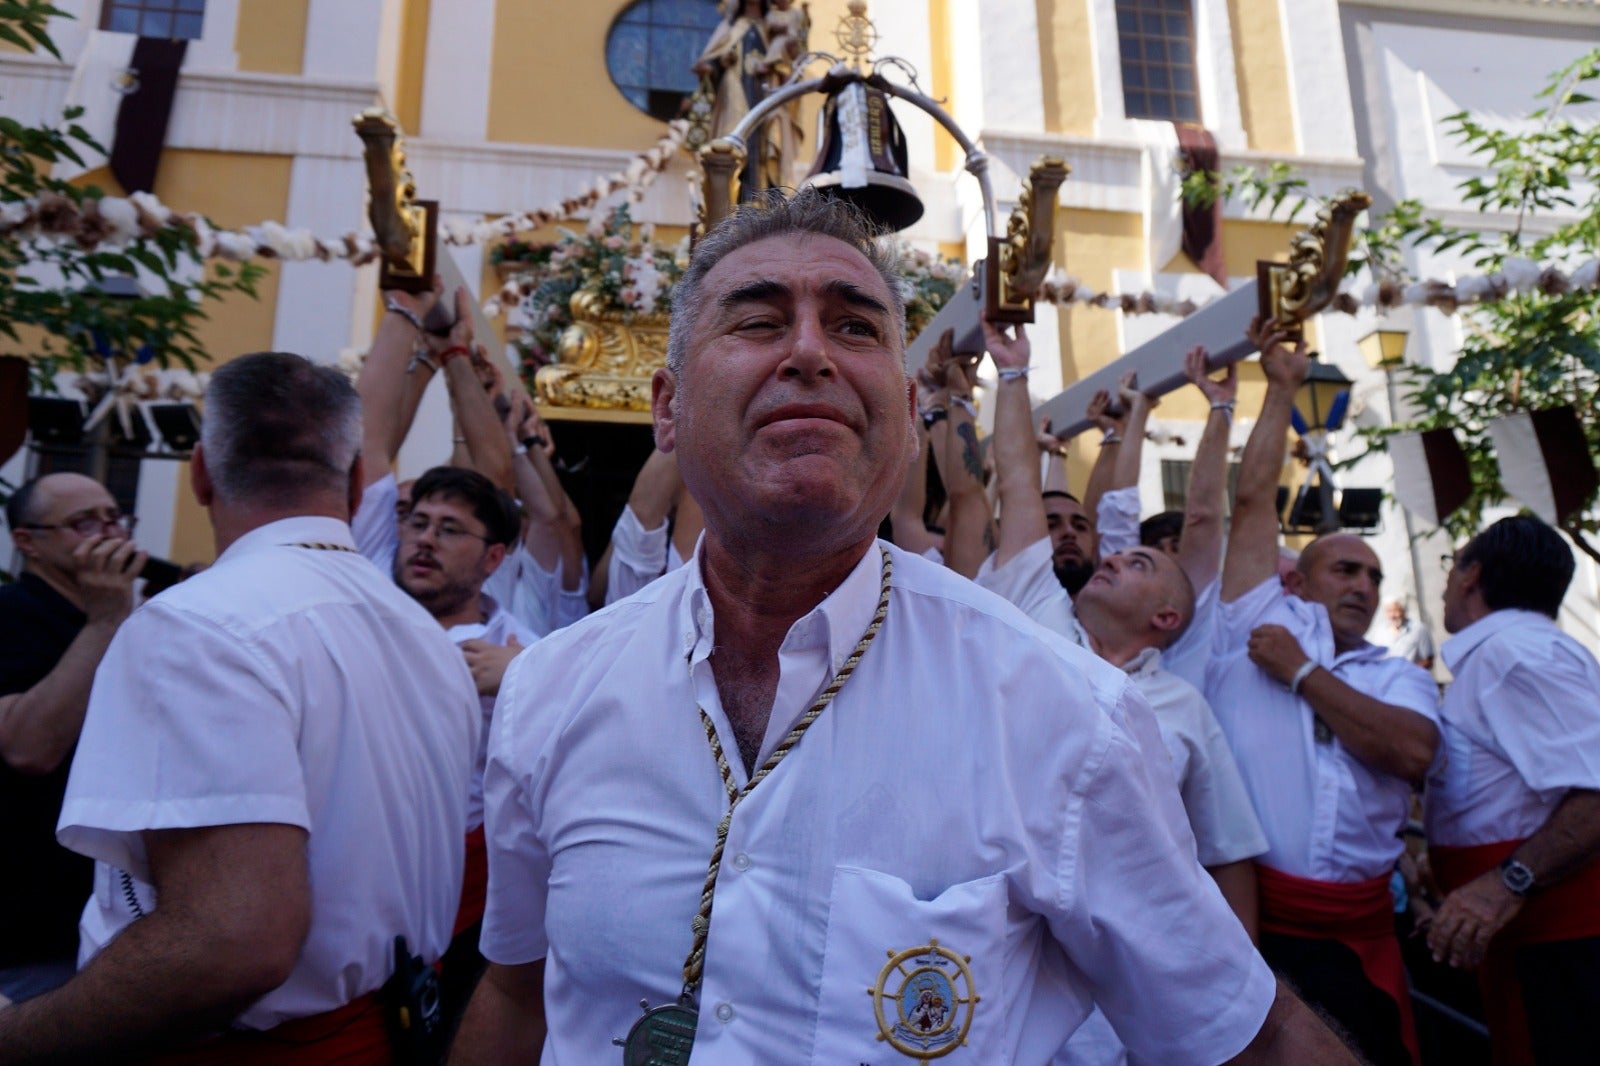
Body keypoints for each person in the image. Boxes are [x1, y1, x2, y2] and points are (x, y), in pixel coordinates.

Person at [449, 190, 1355, 1064]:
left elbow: (1244, 1034)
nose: (810, 352)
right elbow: (516, 993)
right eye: (759, 320)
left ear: (904, 411)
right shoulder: (550, 689)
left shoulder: (1065, 716)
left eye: (855, 326)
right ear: (667, 410)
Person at [0, 352, 479, 1062]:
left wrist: (18, 1037)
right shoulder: (421, 631)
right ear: (353, 481)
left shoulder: (196, 625)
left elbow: (234, 944)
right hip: (394, 1028)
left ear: (199, 474)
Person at [1206, 317, 1440, 1066]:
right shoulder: (1258, 620)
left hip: (1361, 932)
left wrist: (1302, 676)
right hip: (1250, 926)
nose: (1365, 586)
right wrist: (1277, 389)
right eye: (1346, 570)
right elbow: (1250, 506)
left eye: (1374, 576)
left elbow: (1410, 752)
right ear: (1298, 582)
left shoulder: (1397, 673)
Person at [1425, 514, 1600, 1065]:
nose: (1447, 584)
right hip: (1526, 941)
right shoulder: (1509, 653)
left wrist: (1505, 884)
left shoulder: (1515, 653)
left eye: (1450, 567)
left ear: (1471, 575)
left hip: (1559, 942)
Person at [0, 474, 144, 1005]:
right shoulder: (12, 616)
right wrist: (106, 621)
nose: (110, 534)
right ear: (27, 542)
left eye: (114, 517)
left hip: (111, 922)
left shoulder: (132, 619)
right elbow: (28, 748)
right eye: (85, 523)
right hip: (29, 937)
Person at [1383, 600, 1434, 670]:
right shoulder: (1382, 633)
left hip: (1412, 679)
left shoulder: (1418, 629)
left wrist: (1408, 672)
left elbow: (1428, 660)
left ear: (1404, 611)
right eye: (1389, 611)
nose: (1392, 615)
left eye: (1395, 610)